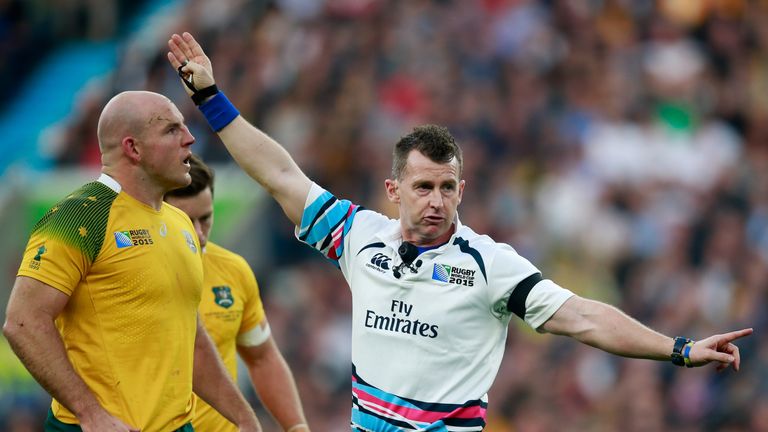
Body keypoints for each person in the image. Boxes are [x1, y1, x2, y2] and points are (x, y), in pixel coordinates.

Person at [167, 32, 754, 431]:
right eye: (423, 188)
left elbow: (583, 317)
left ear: (462, 191)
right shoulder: (358, 237)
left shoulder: (490, 265)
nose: (437, 201)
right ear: (394, 190)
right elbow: (278, 172)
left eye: (448, 188)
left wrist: (677, 350)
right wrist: (211, 99)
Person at [2, 90, 262, 432]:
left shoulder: (181, 223)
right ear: (133, 148)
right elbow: (22, 322)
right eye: (171, 130)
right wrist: (89, 413)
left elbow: (193, 340)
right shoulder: (80, 215)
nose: (190, 138)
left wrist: (244, 419)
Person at [164, 154, 310, 432]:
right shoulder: (128, 275)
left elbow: (262, 357)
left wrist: (296, 426)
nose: (200, 234)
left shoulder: (233, 271)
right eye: (185, 222)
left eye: (205, 219)